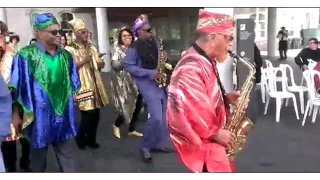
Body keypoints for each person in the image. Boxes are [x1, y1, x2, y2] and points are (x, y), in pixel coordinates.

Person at [167, 10, 249, 173]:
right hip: (206, 149)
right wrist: (216, 133)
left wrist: (225, 98)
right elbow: (190, 111)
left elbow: (197, 98)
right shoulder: (191, 67)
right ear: (212, 37)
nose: (231, 44)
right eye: (229, 38)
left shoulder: (204, 60)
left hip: (209, 147)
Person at [8, 12, 81, 172]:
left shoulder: (66, 56)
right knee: (38, 160)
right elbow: (16, 87)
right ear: (39, 33)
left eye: (59, 31)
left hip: (62, 116)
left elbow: (73, 84)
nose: (59, 35)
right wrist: (16, 115)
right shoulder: (25, 56)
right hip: (38, 119)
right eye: (53, 32)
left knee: (67, 156)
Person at [124, 14, 170, 163]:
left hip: (159, 82)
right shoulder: (133, 48)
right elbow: (129, 67)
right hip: (147, 83)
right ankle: (145, 146)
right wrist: (151, 73)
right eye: (148, 30)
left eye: (151, 29)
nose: (151, 32)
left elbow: (159, 61)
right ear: (139, 31)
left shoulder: (154, 42)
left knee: (164, 117)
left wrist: (163, 58)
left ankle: (157, 144)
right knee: (156, 117)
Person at [65, 18, 108, 150]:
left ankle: (91, 140)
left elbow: (100, 65)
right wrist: (83, 61)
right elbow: (68, 68)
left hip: (95, 85)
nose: (85, 34)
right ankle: (80, 138)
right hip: (82, 86)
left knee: (96, 115)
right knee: (87, 113)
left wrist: (100, 61)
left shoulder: (91, 47)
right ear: (76, 33)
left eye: (86, 32)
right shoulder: (69, 49)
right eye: (83, 32)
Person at [0, 23, 30, 172]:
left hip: (13, 107)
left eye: (3, 36)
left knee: (19, 143)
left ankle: (24, 163)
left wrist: (16, 112)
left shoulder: (12, 55)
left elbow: (18, 84)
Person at [111, 27, 143, 138]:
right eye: (124, 35)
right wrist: (127, 60)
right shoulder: (118, 50)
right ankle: (116, 125)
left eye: (129, 35)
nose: (127, 37)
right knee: (125, 106)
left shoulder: (135, 48)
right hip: (123, 83)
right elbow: (115, 66)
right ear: (121, 38)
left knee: (137, 105)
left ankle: (131, 129)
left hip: (136, 80)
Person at [0, 21, 17, 173]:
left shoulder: (11, 53)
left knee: (10, 140)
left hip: (10, 101)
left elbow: (15, 77)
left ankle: (11, 167)